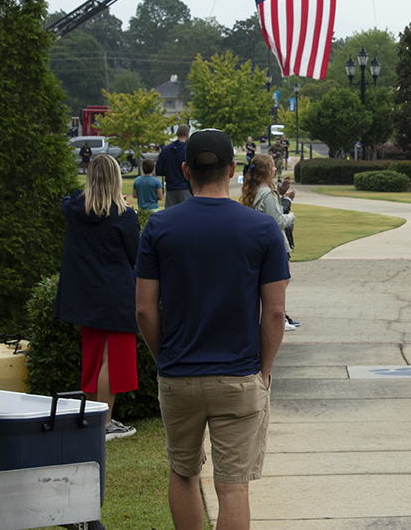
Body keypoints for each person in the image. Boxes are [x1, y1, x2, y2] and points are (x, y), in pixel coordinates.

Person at [135, 129, 289, 530]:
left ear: (186, 170)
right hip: (239, 374)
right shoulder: (262, 229)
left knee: (183, 473)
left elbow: (144, 309)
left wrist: (163, 357)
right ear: (233, 169)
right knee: (234, 486)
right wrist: (264, 370)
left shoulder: (159, 227)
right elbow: (274, 314)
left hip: (179, 373)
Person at [54, 153, 139, 441]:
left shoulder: (74, 207)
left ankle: (92, 421)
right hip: (115, 294)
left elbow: (67, 200)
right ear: (116, 179)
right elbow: (134, 256)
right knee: (110, 361)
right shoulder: (124, 216)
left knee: (92, 358)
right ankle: (103, 423)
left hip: (83, 294)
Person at [241, 154, 300, 331]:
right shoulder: (267, 193)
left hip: (260, 242)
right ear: (267, 170)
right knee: (282, 279)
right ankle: (277, 316)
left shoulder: (256, 190)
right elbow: (278, 220)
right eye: (273, 166)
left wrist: (282, 198)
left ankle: (276, 314)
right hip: (273, 243)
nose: (275, 169)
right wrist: (292, 215)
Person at [155, 124, 191, 207]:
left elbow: (158, 170)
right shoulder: (188, 150)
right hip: (185, 187)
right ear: (187, 135)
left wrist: (169, 172)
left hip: (171, 187)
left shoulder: (166, 150)